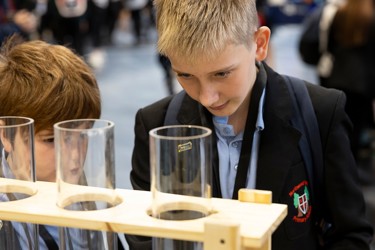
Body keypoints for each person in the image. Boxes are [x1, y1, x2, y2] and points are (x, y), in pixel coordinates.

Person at [128, 0, 373, 249]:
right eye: (185, 75)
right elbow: (143, 237)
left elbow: (351, 235)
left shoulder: (320, 113)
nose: (206, 97)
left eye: (222, 74)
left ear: (259, 44)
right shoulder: (154, 126)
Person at [0, 35, 124, 250]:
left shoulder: (83, 193)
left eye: (83, 135)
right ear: (6, 135)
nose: (74, 157)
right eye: (50, 140)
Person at [318, 0, 375, 162]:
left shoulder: (339, 14)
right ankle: (351, 166)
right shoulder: (371, 17)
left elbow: (329, 47)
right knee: (355, 130)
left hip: (336, 77)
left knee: (335, 127)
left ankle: (333, 164)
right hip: (363, 83)